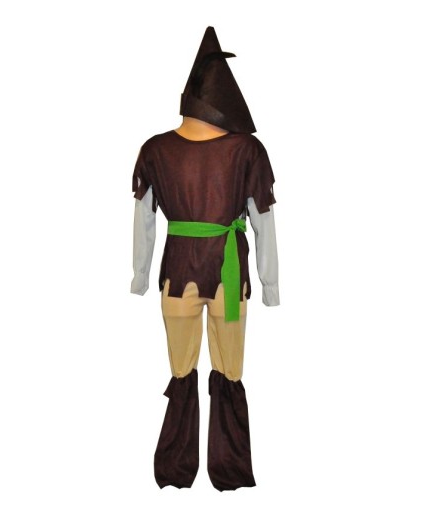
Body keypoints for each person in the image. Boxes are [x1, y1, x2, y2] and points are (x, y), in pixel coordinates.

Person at [130, 26, 280, 491]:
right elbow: (264, 223)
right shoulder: (244, 151)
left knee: (189, 367)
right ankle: (220, 468)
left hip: (184, 276)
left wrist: (140, 275)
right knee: (223, 368)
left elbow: (143, 223)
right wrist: (271, 284)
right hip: (222, 277)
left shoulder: (158, 150)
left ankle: (186, 467)